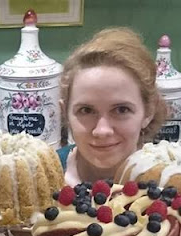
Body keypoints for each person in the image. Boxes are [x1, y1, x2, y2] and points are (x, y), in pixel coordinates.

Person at [57, 27, 167, 185]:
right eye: (86, 110)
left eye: (121, 110)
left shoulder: (170, 181)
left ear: (148, 111)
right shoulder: (39, 177)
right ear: (65, 112)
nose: (102, 131)